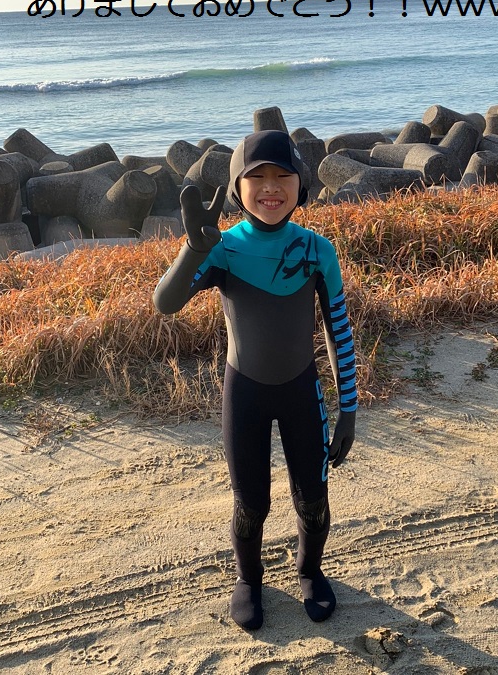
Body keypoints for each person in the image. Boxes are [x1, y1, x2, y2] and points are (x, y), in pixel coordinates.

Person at [153, 130, 357, 630]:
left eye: (283, 175)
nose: (271, 187)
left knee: (314, 499)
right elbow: (166, 303)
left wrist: (349, 408)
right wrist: (194, 249)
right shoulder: (222, 249)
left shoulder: (317, 250)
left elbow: (337, 329)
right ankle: (248, 579)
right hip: (243, 393)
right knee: (251, 503)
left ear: (300, 185)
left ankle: (310, 570)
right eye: (256, 176)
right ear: (236, 188)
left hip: (301, 392)